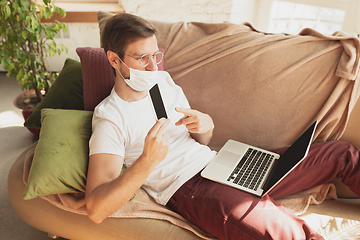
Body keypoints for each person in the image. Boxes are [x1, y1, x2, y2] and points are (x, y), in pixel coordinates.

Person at [85, 13, 360, 240]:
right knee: (294, 235)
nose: (152, 66)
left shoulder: (163, 82)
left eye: (155, 55)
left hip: (220, 163)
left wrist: (205, 126)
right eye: (141, 58)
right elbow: (96, 209)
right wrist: (146, 162)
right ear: (113, 59)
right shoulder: (110, 117)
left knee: (343, 154)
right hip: (190, 187)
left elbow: (200, 142)